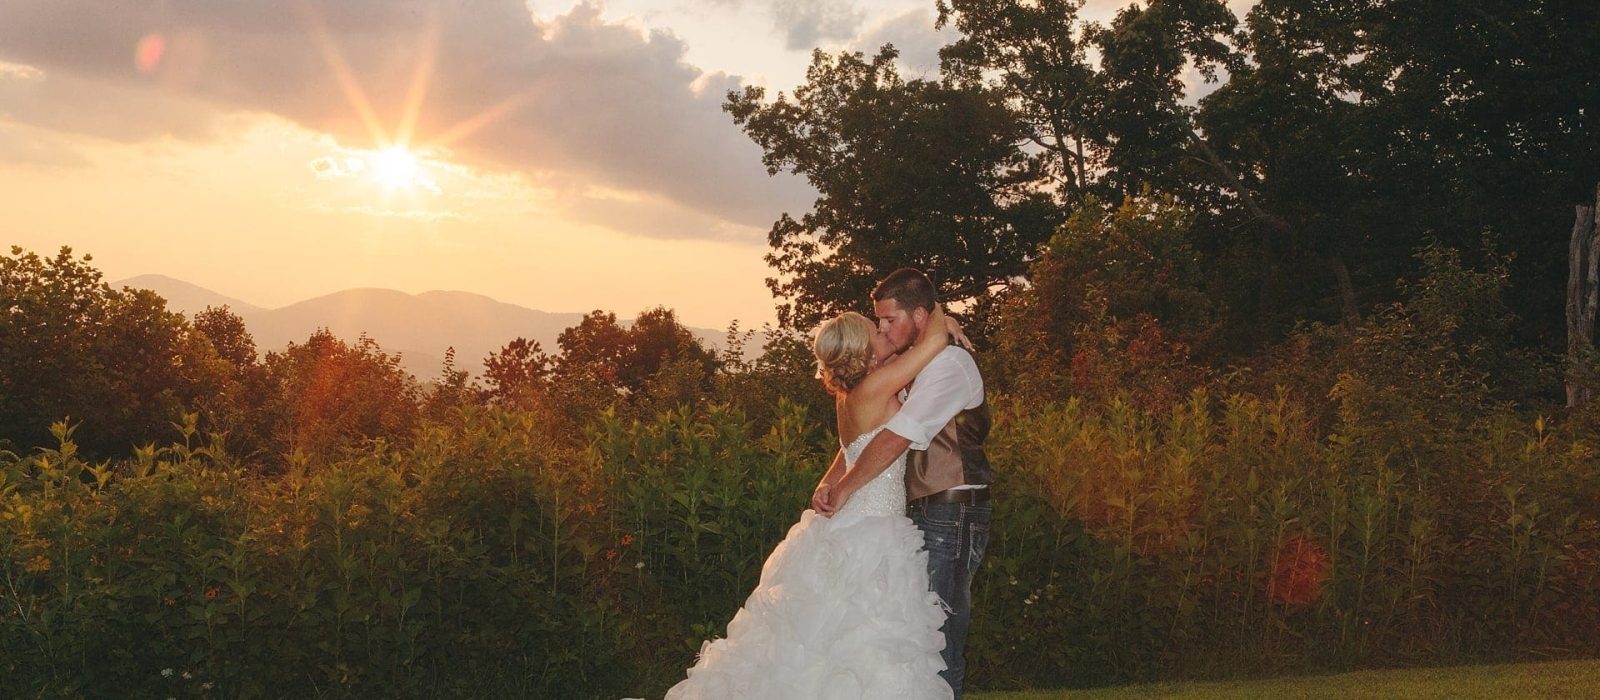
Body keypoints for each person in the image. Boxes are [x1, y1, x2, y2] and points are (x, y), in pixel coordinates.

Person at [660, 303, 961, 699]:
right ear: (863, 351)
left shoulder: (851, 396)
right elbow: (937, 339)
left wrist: (830, 481)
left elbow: (851, 448)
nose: (884, 333)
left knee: (831, 640)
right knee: (867, 640)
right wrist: (936, 311)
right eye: (876, 330)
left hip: (850, 524)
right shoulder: (876, 385)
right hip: (872, 532)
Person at [816, 268, 992, 700]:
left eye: (888, 321)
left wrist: (842, 486)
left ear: (918, 314)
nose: (883, 331)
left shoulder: (950, 363)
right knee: (912, 628)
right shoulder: (900, 369)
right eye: (877, 325)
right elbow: (863, 441)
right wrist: (834, 478)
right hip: (914, 511)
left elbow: (896, 437)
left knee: (941, 627)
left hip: (954, 509)